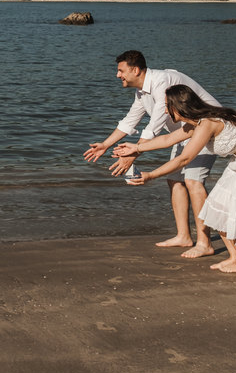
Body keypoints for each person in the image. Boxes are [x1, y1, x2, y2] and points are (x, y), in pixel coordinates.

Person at [116, 85, 236, 279]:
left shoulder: (207, 123)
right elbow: (169, 139)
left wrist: (151, 175)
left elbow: (184, 159)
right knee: (216, 206)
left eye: (166, 106)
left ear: (178, 107)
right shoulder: (196, 123)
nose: (164, 110)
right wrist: (136, 148)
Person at [83, 50, 219, 258]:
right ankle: (183, 236)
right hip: (182, 134)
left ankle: (204, 243)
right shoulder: (142, 92)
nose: (117, 75)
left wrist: (132, 154)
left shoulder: (162, 82)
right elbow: (130, 121)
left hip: (206, 128)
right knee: (174, 179)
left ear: (135, 70)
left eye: (121, 71)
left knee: (193, 181)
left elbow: (154, 125)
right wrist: (105, 144)